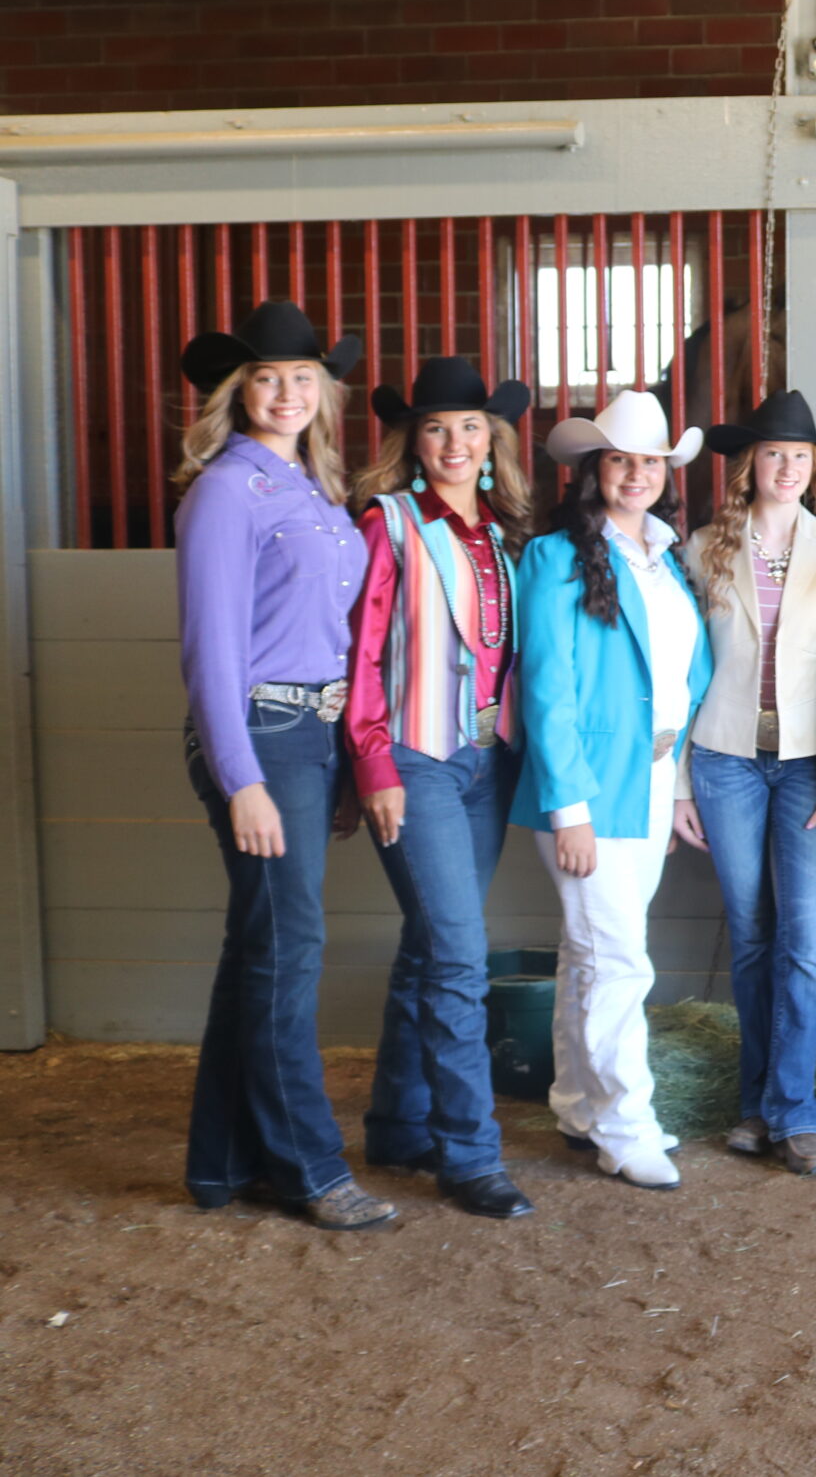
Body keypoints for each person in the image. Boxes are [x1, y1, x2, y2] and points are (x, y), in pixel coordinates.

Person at [171, 300, 388, 1231]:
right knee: (288, 952)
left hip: (306, 736)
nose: (288, 391)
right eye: (267, 377)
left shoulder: (312, 488)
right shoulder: (227, 490)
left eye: (304, 376)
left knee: (257, 951)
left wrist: (334, 756)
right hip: (257, 734)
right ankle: (308, 1166)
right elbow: (210, 649)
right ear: (238, 391)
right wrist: (242, 776)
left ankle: (220, 1165)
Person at [345, 356, 538, 1221]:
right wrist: (374, 763)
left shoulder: (506, 532)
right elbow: (361, 654)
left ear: (491, 439)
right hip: (415, 760)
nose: (455, 441)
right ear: (412, 442)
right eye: (435, 427)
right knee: (459, 954)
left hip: (485, 764)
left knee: (429, 944)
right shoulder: (385, 523)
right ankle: (469, 1153)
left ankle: (394, 1122)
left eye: (469, 426)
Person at [510, 390, 711, 1192]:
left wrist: (673, 787)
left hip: (653, 778)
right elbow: (548, 691)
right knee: (619, 960)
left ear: (667, 471)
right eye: (620, 460)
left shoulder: (668, 557)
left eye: (649, 461)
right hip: (590, 788)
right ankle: (626, 1125)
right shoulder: (556, 557)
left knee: (589, 954)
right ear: (594, 470)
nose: (636, 474)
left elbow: (678, 683)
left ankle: (576, 1102)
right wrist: (571, 809)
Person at [672, 390, 816, 1178]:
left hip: (809, 765)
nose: (786, 466)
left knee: (802, 940)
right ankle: (755, 1104)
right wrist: (683, 779)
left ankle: (795, 1111)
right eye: (772, 454)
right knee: (751, 934)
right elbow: (681, 674)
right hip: (721, 758)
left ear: (813, 465)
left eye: (800, 455)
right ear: (748, 464)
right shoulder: (703, 549)